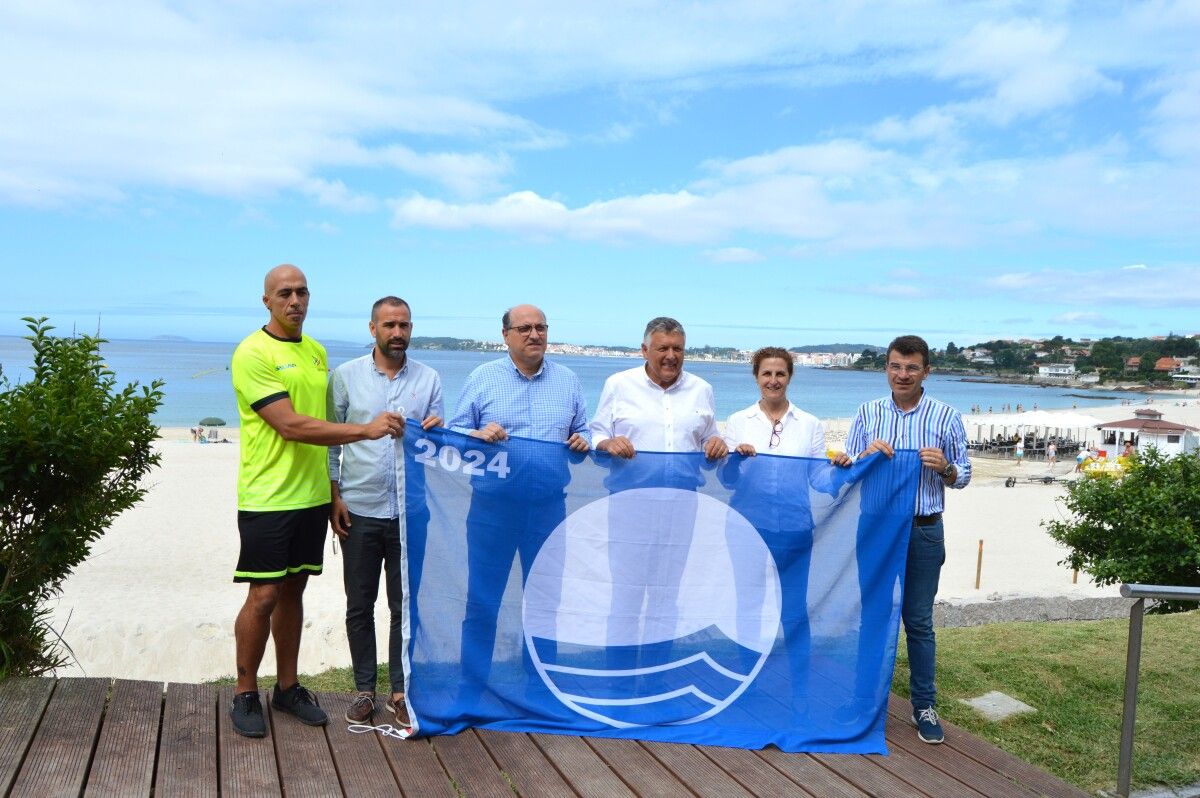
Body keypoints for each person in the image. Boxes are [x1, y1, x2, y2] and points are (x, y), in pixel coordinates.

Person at [228, 264, 406, 739]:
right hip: (267, 495)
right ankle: (246, 691)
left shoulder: (315, 352)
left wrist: (332, 494)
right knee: (262, 594)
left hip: (311, 497)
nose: (295, 301)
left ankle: (287, 688)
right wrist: (366, 430)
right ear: (266, 301)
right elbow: (289, 424)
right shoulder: (252, 352)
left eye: (302, 292)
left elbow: (320, 428)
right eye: (284, 293)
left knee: (293, 592)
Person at [448, 304, 589, 713]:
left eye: (541, 327)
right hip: (492, 510)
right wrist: (475, 433)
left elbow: (585, 430)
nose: (534, 335)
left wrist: (583, 439)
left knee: (545, 603)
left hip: (547, 510)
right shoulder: (482, 378)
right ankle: (469, 692)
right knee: (482, 601)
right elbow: (453, 435)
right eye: (524, 328)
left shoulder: (568, 380)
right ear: (506, 335)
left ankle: (542, 693)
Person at [845, 334, 970, 745]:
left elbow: (964, 474)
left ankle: (924, 705)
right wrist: (863, 458)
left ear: (926, 371)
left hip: (923, 528)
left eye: (911, 367)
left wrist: (946, 468)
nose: (902, 374)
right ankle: (865, 699)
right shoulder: (867, 413)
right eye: (896, 366)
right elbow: (847, 471)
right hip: (876, 527)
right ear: (886, 367)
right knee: (872, 616)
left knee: (917, 621)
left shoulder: (946, 416)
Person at [328, 296, 443, 727]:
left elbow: (437, 449)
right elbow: (332, 442)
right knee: (359, 604)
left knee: (403, 606)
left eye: (405, 325)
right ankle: (363, 690)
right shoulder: (345, 376)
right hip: (357, 509)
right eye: (390, 325)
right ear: (373, 328)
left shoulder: (429, 379)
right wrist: (333, 496)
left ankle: (399, 691)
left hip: (410, 512)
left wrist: (435, 430)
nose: (398, 333)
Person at [590, 317, 728, 665]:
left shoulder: (702, 389)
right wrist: (607, 441)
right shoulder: (618, 385)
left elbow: (709, 436)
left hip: (682, 509)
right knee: (626, 597)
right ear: (644, 350)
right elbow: (595, 435)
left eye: (677, 349)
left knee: (667, 597)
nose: (671, 356)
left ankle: (656, 676)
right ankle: (618, 680)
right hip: (628, 510)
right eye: (663, 348)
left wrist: (716, 443)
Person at [720, 346, 851, 701]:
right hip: (747, 530)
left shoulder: (809, 424)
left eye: (780, 374)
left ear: (790, 377)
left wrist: (838, 467)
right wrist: (735, 459)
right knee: (748, 607)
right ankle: (748, 685)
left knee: (793, 611)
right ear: (756, 377)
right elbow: (728, 480)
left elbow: (819, 481)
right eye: (766, 374)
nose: (773, 381)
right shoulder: (738, 421)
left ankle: (799, 687)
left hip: (794, 530)